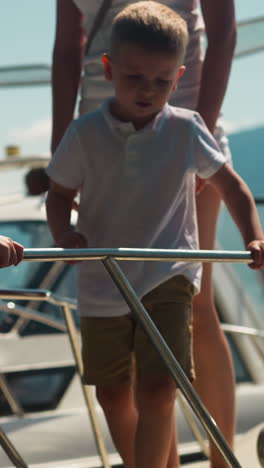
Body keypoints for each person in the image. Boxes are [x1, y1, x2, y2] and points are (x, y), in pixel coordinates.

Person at [45, 3, 264, 467]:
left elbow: (223, 30)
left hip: (187, 131)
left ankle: (220, 461)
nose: (146, 90)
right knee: (113, 390)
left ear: (173, 76)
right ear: (111, 70)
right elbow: (68, 47)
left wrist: (254, 236)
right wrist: (62, 227)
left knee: (173, 359)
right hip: (103, 270)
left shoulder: (187, 131)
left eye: (158, 81)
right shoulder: (85, 136)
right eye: (136, 79)